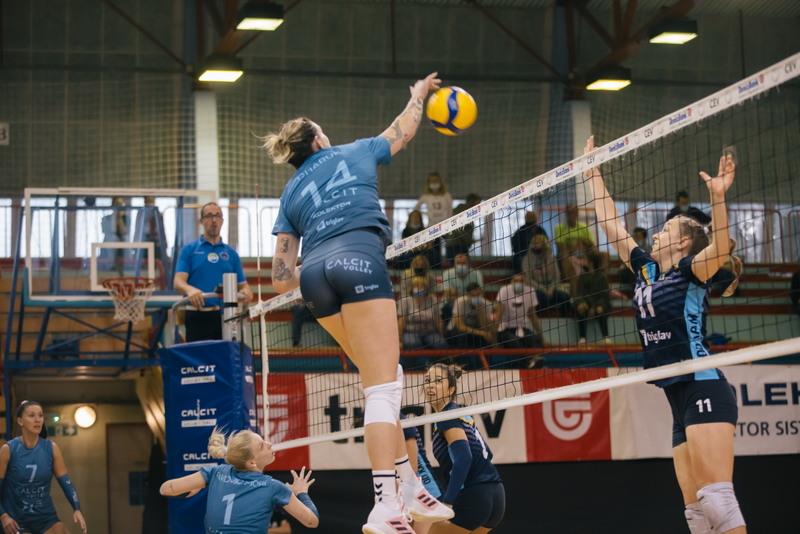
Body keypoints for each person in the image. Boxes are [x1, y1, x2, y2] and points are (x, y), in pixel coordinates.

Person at [264, 72, 453, 533]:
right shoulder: (355, 150)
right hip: (359, 263)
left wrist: (318, 264)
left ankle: (410, 486)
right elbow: (405, 130)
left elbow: (280, 278)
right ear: (319, 139)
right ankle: (385, 504)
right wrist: (418, 96)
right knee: (382, 390)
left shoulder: (290, 193)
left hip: (314, 279)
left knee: (386, 376)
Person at [585, 135, 745, 534]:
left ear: (684, 242)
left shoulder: (692, 272)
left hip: (703, 385)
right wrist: (590, 172)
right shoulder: (647, 270)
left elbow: (720, 246)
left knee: (718, 502)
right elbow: (611, 225)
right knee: (696, 513)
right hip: (677, 395)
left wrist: (718, 198)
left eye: (666, 228)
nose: (656, 234)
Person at [159, 428, 319, 532]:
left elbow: (165, 489)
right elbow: (312, 521)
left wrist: (194, 487)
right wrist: (301, 492)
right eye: (262, 445)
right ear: (251, 462)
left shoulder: (216, 472)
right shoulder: (274, 487)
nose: (270, 444)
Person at [424, 364, 505, 533]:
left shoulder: (447, 416)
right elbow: (487, 453)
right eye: (427, 380)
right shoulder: (460, 414)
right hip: (496, 494)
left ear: (451, 389)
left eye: (438, 381)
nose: (430, 385)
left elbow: (464, 459)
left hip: (474, 495)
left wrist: (448, 502)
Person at [0, 400, 87, 534]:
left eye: (40, 415)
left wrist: (76, 508)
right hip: (15, 521)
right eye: (32, 415)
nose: (37, 420)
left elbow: (66, 482)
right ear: (20, 421)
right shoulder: (8, 449)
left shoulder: (51, 448)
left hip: (45, 519)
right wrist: (3, 516)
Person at [174, 202, 253, 342]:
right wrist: (190, 290)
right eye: (209, 216)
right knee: (199, 356)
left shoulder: (232, 254)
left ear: (222, 221)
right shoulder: (189, 250)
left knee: (225, 355)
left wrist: (246, 293)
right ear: (201, 221)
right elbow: (178, 282)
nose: (214, 220)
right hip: (197, 316)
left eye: (217, 216)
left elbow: (244, 286)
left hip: (226, 317)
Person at [402, 416, 442, 534]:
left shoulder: (401, 420)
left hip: (427, 491)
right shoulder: (383, 423)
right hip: (407, 491)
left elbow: (413, 465)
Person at [398, 276, 448, 368]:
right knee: (413, 344)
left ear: (426, 288)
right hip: (411, 331)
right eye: (416, 286)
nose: (419, 288)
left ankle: (437, 366)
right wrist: (400, 339)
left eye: (421, 286)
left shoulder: (432, 299)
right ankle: (422, 366)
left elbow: (438, 319)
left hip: (430, 331)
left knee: (441, 343)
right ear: (412, 288)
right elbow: (401, 321)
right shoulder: (405, 301)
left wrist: (442, 335)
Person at [494, 273, 543, 366]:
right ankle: (527, 364)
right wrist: (494, 338)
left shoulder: (530, 291)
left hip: (522, 327)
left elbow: (532, 315)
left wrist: (540, 334)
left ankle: (536, 361)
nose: (518, 283)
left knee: (533, 339)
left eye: (521, 281)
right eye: (516, 281)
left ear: (525, 282)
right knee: (514, 342)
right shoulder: (504, 290)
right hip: (505, 329)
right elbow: (498, 315)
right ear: (511, 281)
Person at [521, 234, 571, 316]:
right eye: (534, 243)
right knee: (540, 296)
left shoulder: (552, 258)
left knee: (564, 297)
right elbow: (528, 279)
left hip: (552, 288)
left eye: (538, 243)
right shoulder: (526, 259)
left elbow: (557, 276)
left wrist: (551, 288)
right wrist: (543, 289)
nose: (536, 245)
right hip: (536, 288)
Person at [449, 283, 494, 362]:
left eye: (478, 295)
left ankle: (485, 365)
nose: (476, 297)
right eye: (473, 296)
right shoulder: (460, 302)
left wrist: (480, 310)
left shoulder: (487, 304)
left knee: (487, 339)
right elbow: (460, 326)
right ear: (467, 295)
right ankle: (461, 363)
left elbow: (485, 327)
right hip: (457, 329)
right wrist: (482, 333)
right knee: (463, 336)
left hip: (476, 329)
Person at [554, 205, 596, 288]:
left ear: (577, 214)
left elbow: (591, 244)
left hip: (583, 253)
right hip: (568, 255)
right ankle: (576, 279)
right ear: (566, 214)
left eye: (573, 212)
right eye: (569, 213)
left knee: (601, 254)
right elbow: (560, 246)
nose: (571, 215)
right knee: (565, 254)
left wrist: (582, 242)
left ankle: (595, 280)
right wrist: (574, 245)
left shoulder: (583, 227)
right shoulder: (559, 228)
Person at [574, 250, 612, 344]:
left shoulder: (601, 277)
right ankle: (582, 338)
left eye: (585, 259)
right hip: (586, 303)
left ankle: (605, 337)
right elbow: (579, 293)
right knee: (581, 308)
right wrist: (582, 302)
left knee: (600, 309)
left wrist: (596, 306)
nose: (583, 261)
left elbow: (604, 296)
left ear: (591, 262)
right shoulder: (582, 277)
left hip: (599, 303)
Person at [416, 172, 452, 268]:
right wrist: (425, 215)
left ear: (440, 182)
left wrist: (449, 224)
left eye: (436, 181)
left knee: (450, 246)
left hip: (445, 226)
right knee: (433, 250)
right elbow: (416, 208)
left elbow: (450, 211)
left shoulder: (446, 195)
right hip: (431, 227)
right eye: (431, 181)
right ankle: (435, 268)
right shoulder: (426, 196)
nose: (434, 183)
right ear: (428, 183)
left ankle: (450, 266)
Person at [445, 195, 480, 261]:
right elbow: (457, 230)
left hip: (455, 244)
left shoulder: (467, 212)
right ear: (472, 202)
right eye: (478, 203)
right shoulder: (463, 212)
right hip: (457, 245)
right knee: (460, 265)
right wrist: (469, 241)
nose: (479, 206)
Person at [618, 227, 651, 296]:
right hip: (632, 268)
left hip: (644, 268)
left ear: (643, 237)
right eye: (635, 236)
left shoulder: (648, 248)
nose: (636, 238)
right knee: (623, 270)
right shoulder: (631, 247)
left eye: (638, 236)